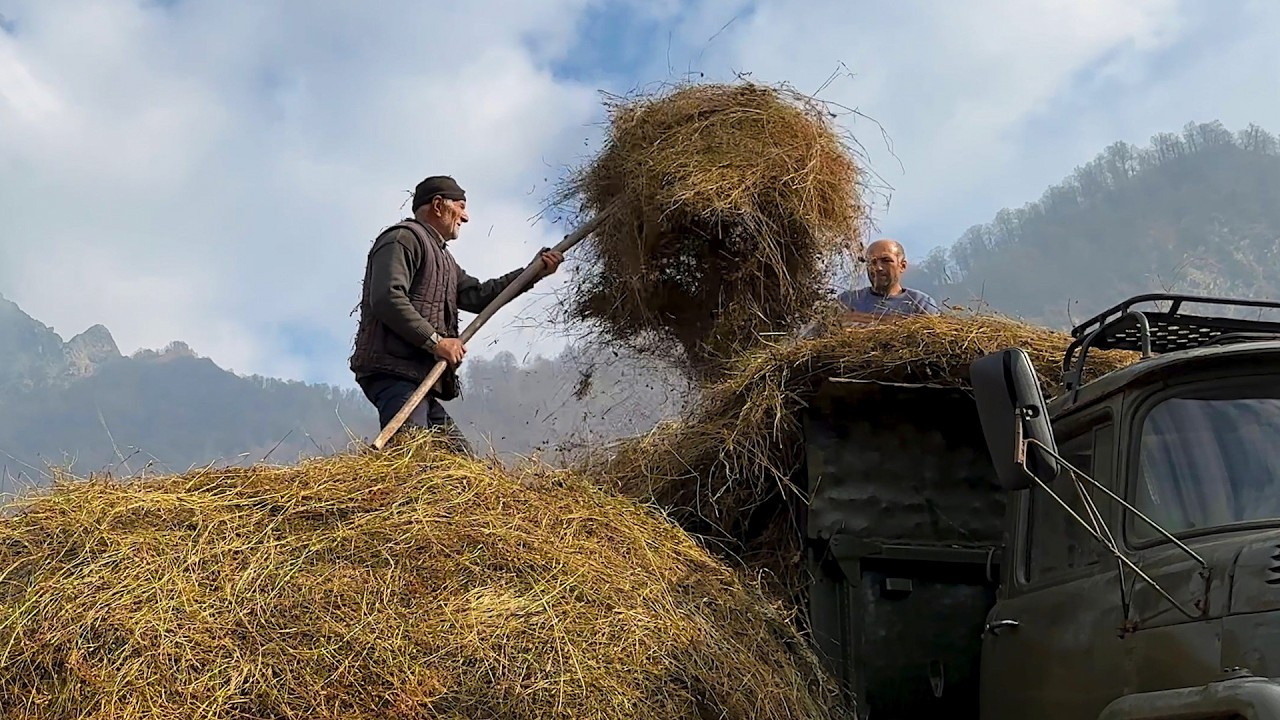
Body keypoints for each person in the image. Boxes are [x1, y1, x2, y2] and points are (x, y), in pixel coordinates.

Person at [348, 175, 563, 451]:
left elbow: (479, 295)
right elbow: (387, 298)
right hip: (394, 371)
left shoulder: (446, 262)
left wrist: (533, 272)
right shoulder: (402, 239)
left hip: (419, 378)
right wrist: (436, 342)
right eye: (460, 207)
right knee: (411, 454)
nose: (466, 217)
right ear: (438, 205)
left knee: (460, 461)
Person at [837, 238, 940, 322]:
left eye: (886, 261)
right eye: (872, 262)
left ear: (902, 266)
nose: (878, 268)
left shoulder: (921, 304)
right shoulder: (847, 301)